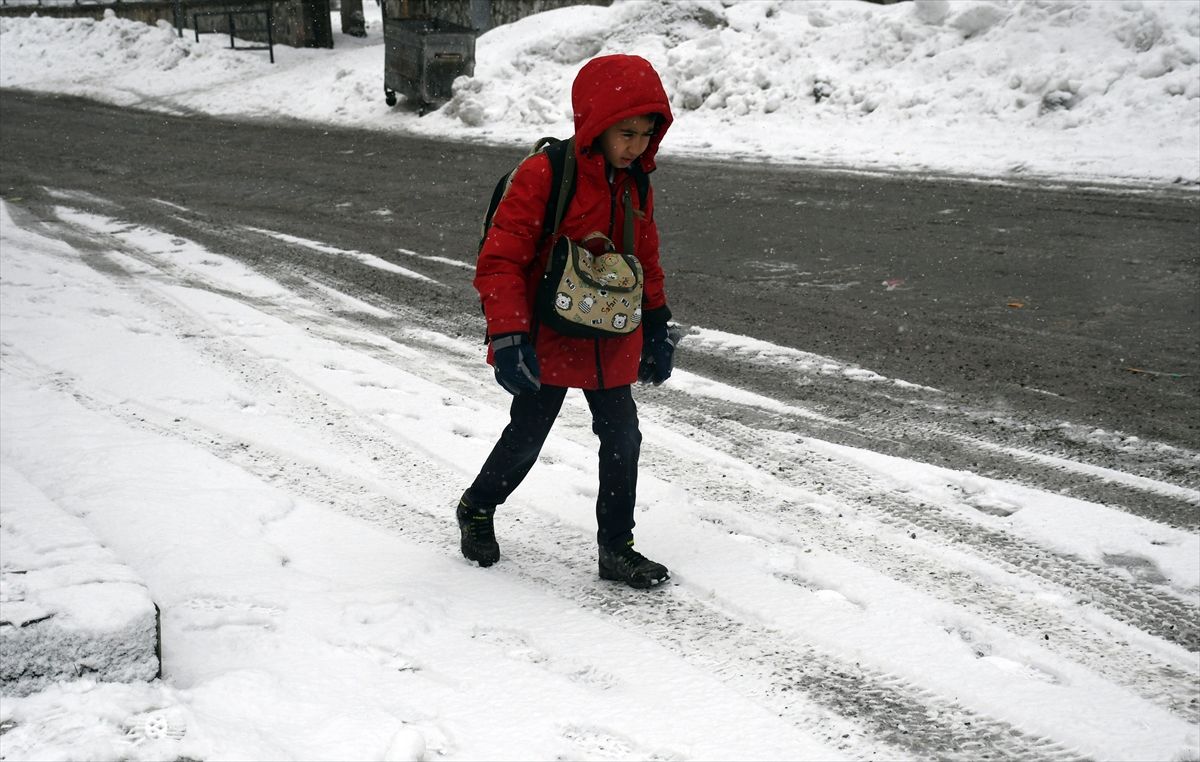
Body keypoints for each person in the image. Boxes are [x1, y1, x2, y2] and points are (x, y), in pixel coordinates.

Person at [456, 53, 677, 589]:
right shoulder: (545, 174)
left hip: (610, 331)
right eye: (626, 133)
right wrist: (509, 335)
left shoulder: (635, 184)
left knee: (623, 437)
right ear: (597, 123)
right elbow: (501, 259)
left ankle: (616, 547)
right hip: (546, 332)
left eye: (646, 135)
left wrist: (657, 323)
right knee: (529, 433)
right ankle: (478, 506)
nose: (636, 146)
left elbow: (645, 259)